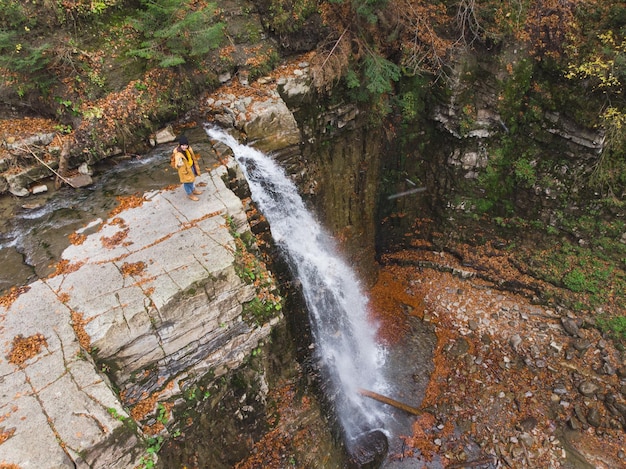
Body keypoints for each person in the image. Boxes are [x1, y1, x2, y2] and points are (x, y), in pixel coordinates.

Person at [173, 135, 203, 201]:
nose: (184, 147)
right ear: (180, 145)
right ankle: (190, 194)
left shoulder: (188, 149)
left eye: (186, 145)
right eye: (183, 145)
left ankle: (193, 190)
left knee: (192, 179)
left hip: (191, 166)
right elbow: (176, 164)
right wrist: (178, 165)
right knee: (187, 182)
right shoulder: (178, 154)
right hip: (185, 170)